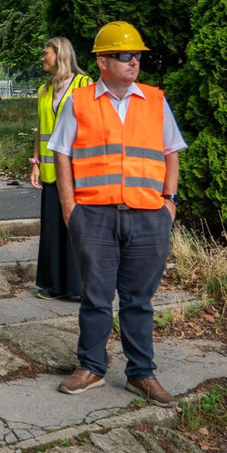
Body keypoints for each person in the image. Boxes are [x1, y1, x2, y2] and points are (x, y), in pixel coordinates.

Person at [48, 21, 186, 407]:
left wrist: (169, 202)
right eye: (125, 56)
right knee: (95, 297)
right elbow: (62, 152)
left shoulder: (156, 100)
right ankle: (91, 366)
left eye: (137, 55)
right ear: (103, 61)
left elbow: (171, 150)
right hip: (93, 215)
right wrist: (69, 206)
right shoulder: (80, 101)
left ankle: (141, 374)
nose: (134, 62)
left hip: (147, 216)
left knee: (139, 300)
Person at [31, 37, 95, 300]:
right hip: (50, 170)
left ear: (59, 54)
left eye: (46, 53)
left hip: (77, 170)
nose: (43, 58)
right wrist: (35, 162)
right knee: (52, 229)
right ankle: (53, 285)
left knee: (77, 228)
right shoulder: (44, 89)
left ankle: (79, 287)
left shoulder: (84, 84)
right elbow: (40, 128)